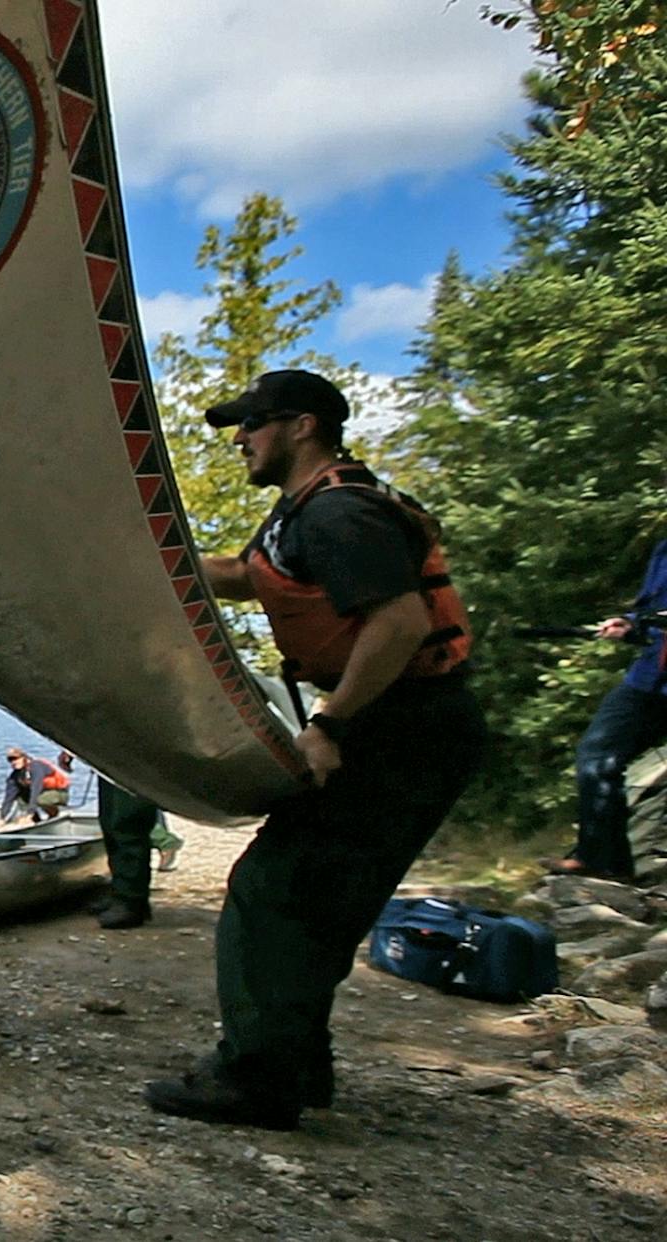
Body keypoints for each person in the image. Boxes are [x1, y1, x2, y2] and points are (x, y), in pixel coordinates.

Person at [144, 369, 483, 1131]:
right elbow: (244, 576)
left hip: (404, 731)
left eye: (254, 424)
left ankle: (259, 1080)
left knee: (276, 891)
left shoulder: (339, 515)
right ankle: (291, 1068)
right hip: (407, 728)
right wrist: (142, 568)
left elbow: (396, 624)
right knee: (311, 900)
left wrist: (329, 725)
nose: (240, 439)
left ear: (302, 427)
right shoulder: (300, 515)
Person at [545, 538, 667, 880]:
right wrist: (630, 624)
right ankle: (602, 861)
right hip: (650, 678)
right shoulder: (664, 549)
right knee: (598, 755)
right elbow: (652, 612)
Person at [89, 776, 183, 930]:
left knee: (127, 822)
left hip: (131, 764)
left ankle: (132, 900)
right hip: (109, 760)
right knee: (109, 819)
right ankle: (120, 891)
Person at [35, 750, 76, 821]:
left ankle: (50, 816)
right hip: (61, 794)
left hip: (56, 794)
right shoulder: (59, 768)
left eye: (62, 755)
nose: (58, 757)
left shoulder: (59, 769)